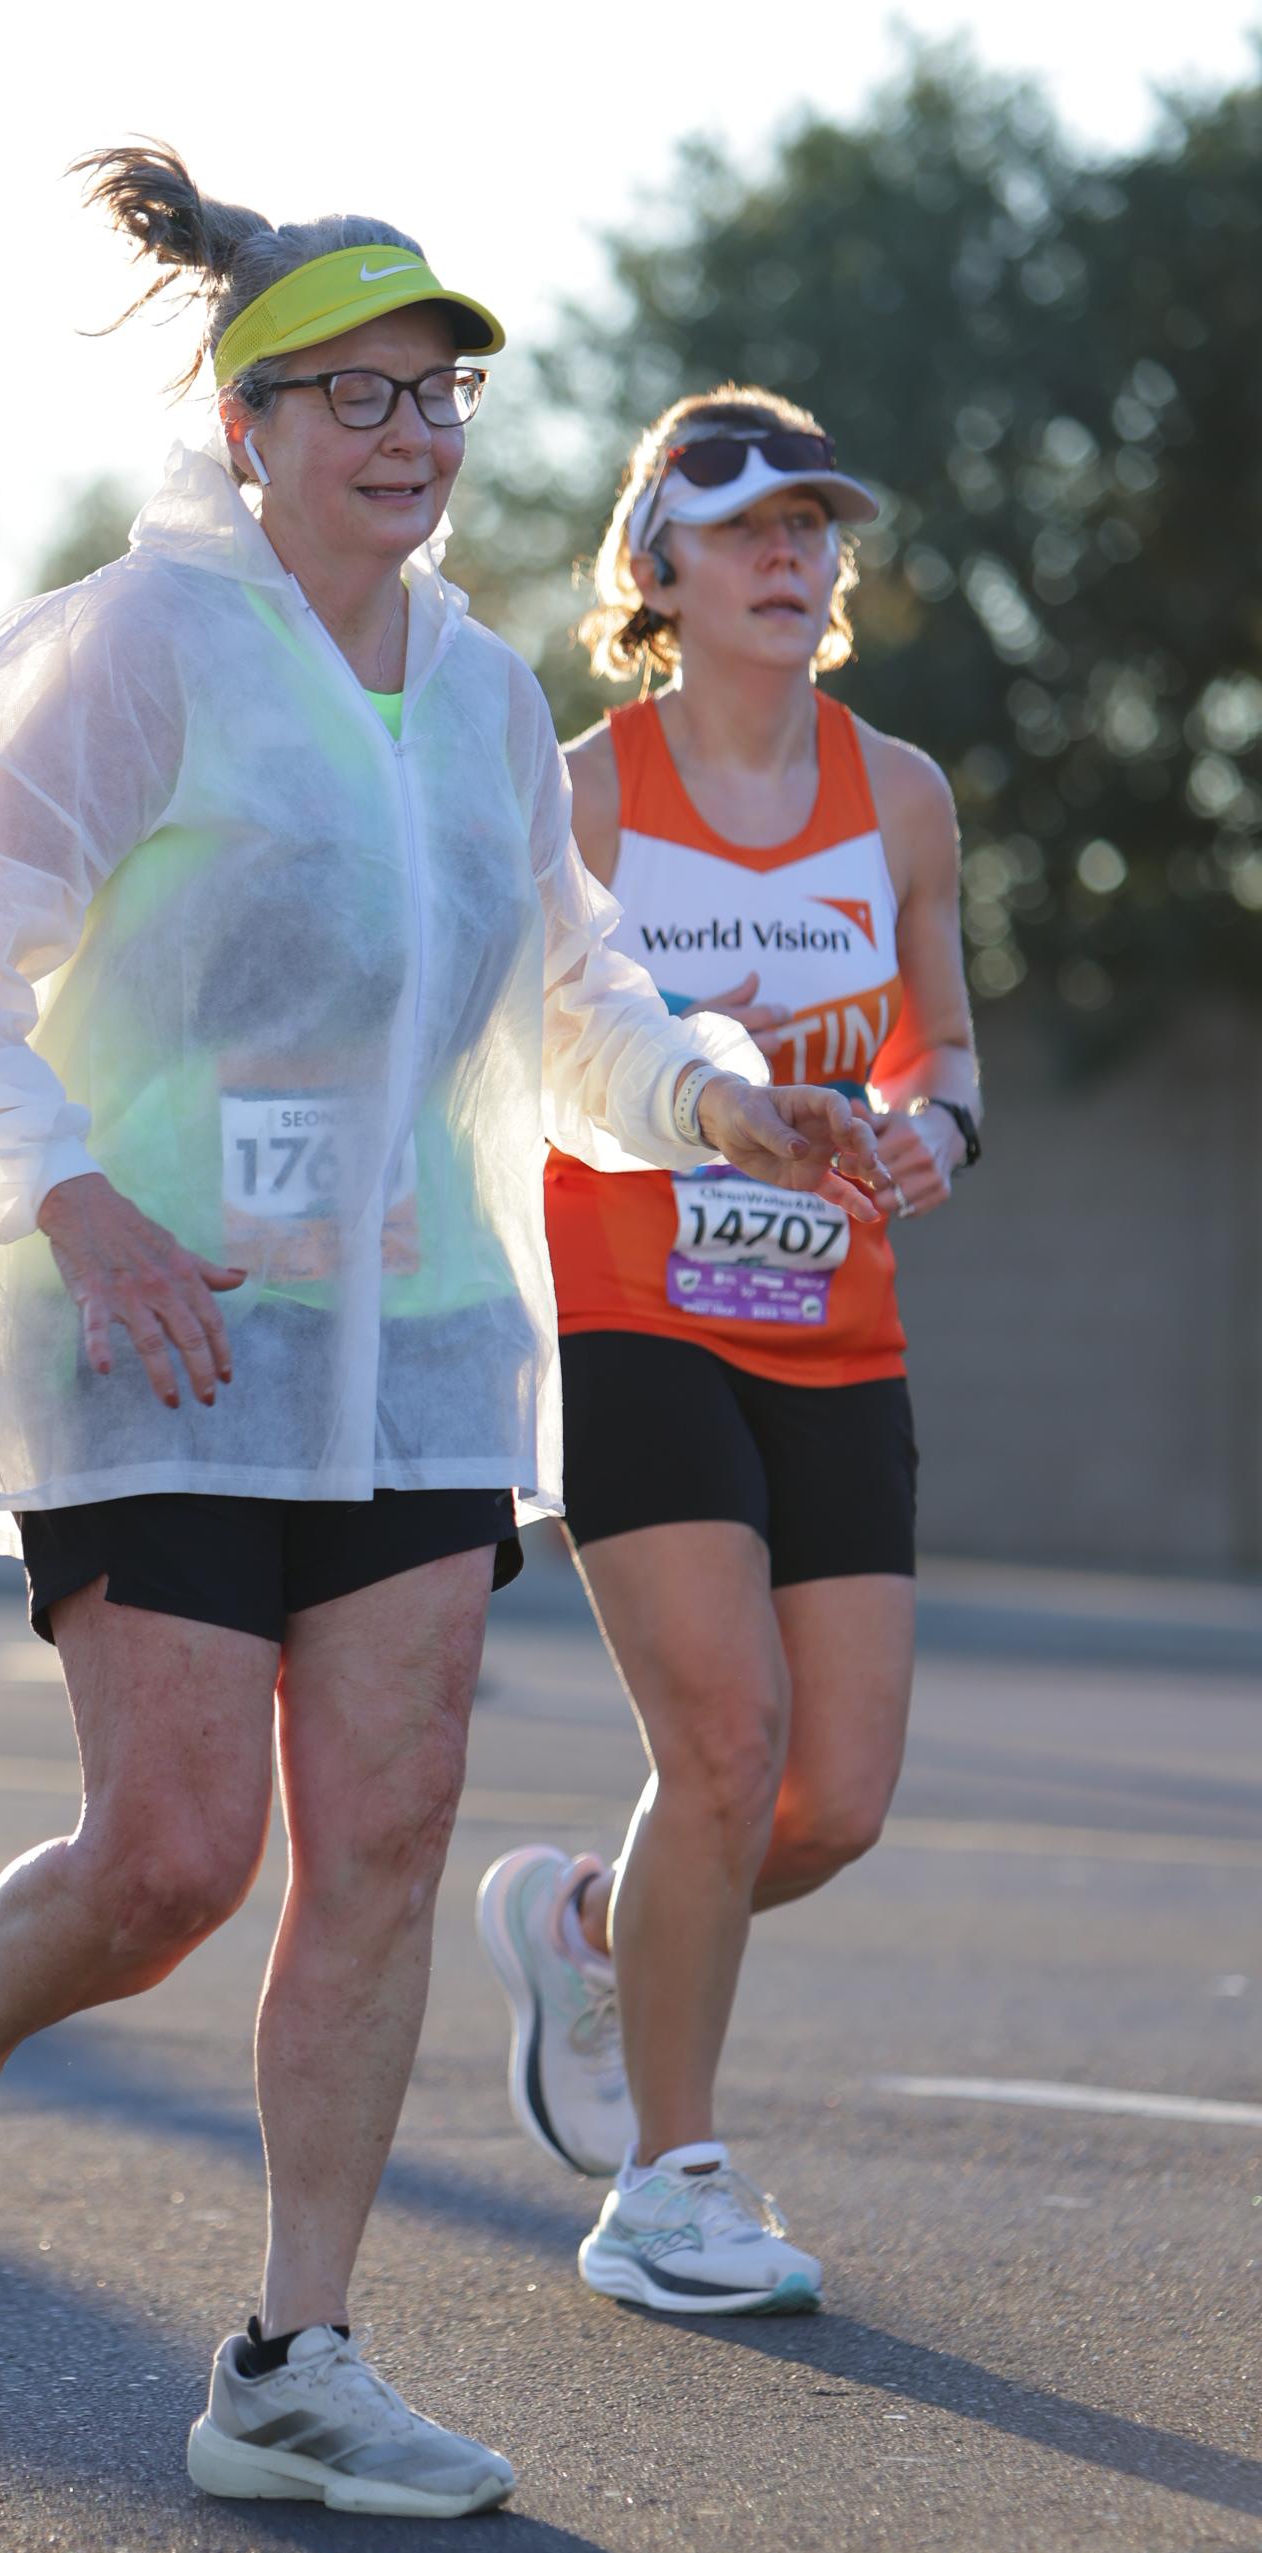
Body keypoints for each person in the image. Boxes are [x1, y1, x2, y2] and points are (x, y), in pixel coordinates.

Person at [0, 172, 888, 2519]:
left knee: (383, 1844)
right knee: (170, 1857)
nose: (409, 437)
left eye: (437, 394)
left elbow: (571, 992)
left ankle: (292, 2358)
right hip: (164, 1330)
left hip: (414, 1346)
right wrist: (72, 1197)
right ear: (249, 420)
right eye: (355, 396)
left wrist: (717, 1099)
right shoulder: (128, 657)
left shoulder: (480, 697)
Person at [477, 384, 981, 2316]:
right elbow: (522, 1055)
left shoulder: (902, 796)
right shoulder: (587, 795)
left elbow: (943, 1052)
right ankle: (666, 2188)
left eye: (814, 524)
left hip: (835, 1327)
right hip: (631, 1305)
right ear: (656, 567)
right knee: (722, 1744)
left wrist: (931, 1133)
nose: (790, 553)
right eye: (747, 525)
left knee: (829, 1803)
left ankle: (598, 1927)